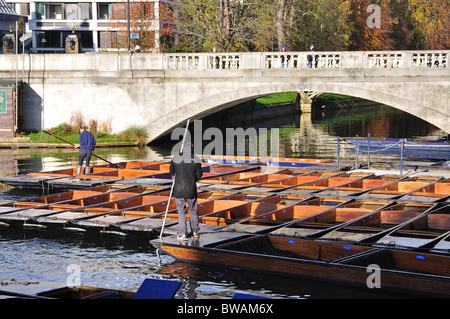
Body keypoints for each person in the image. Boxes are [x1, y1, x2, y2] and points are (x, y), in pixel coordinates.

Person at [169, 143, 203, 241]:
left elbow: (171, 172)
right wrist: (193, 179)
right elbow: (200, 175)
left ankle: (182, 233)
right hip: (191, 189)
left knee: (181, 212)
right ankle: (195, 231)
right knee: (193, 211)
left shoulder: (176, 158)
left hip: (179, 189)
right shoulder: (196, 159)